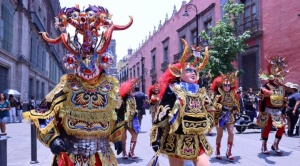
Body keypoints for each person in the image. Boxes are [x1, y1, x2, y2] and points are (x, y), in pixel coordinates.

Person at [23, 4, 133, 165]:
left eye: (92, 61)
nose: (87, 67)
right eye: (82, 61)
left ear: (102, 61)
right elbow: (41, 114)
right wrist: (53, 139)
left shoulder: (110, 87)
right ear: (74, 62)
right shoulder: (66, 86)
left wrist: (116, 136)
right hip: (70, 154)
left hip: (102, 154)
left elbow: (118, 113)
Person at [150, 39, 213, 166]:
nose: (193, 73)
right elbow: (162, 113)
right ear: (178, 72)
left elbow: (209, 109)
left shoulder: (200, 91)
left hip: (197, 138)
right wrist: (156, 138)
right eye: (189, 70)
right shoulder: (173, 89)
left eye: (195, 71)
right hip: (175, 139)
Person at [256, 56, 288, 155]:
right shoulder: (266, 86)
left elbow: (284, 99)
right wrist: (266, 92)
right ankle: (264, 145)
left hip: (277, 111)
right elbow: (261, 94)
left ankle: (275, 144)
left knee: (282, 127)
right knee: (268, 127)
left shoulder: (281, 87)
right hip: (267, 111)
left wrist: (285, 100)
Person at [211, 71, 240, 161]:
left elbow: (236, 103)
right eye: (225, 85)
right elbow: (214, 104)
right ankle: (218, 150)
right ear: (221, 85)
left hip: (230, 115)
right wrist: (221, 107)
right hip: (219, 115)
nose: (227, 87)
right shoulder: (218, 93)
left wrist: (236, 108)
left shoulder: (233, 93)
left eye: (228, 85)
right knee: (220, 134)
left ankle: (229, 151)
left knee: (231, 133)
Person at [119, 79, 140, 159]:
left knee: (135, 135)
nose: (132, 90)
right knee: (124, 137)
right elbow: (117, 109)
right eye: (131, 88)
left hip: (132, 121)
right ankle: (124, 152)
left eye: (133, 88)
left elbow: (134, 108)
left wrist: (135, 112)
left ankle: (131, 151)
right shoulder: (121, 99)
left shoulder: (133, 98)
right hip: (123, 121)